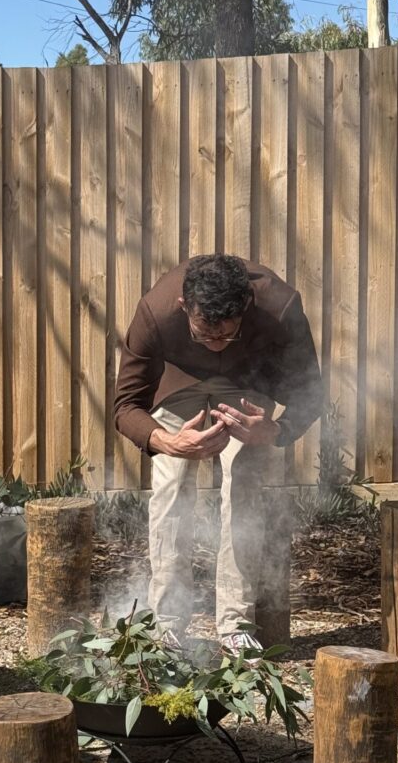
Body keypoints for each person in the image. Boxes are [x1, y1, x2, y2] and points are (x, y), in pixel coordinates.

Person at [114, 254, 322, 653]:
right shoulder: (155, 311)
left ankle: (235, 624)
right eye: (203, 334)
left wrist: (276, 430)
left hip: (245, 384)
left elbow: (310, 392)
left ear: (245, 308)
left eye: (225, 335)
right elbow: (125, 406)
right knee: (171, 484)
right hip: (177, 389)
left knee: (244, 481)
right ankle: (167, 624)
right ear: (183, 307)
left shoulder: (281, 306)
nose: (214, 344)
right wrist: (166, 442)